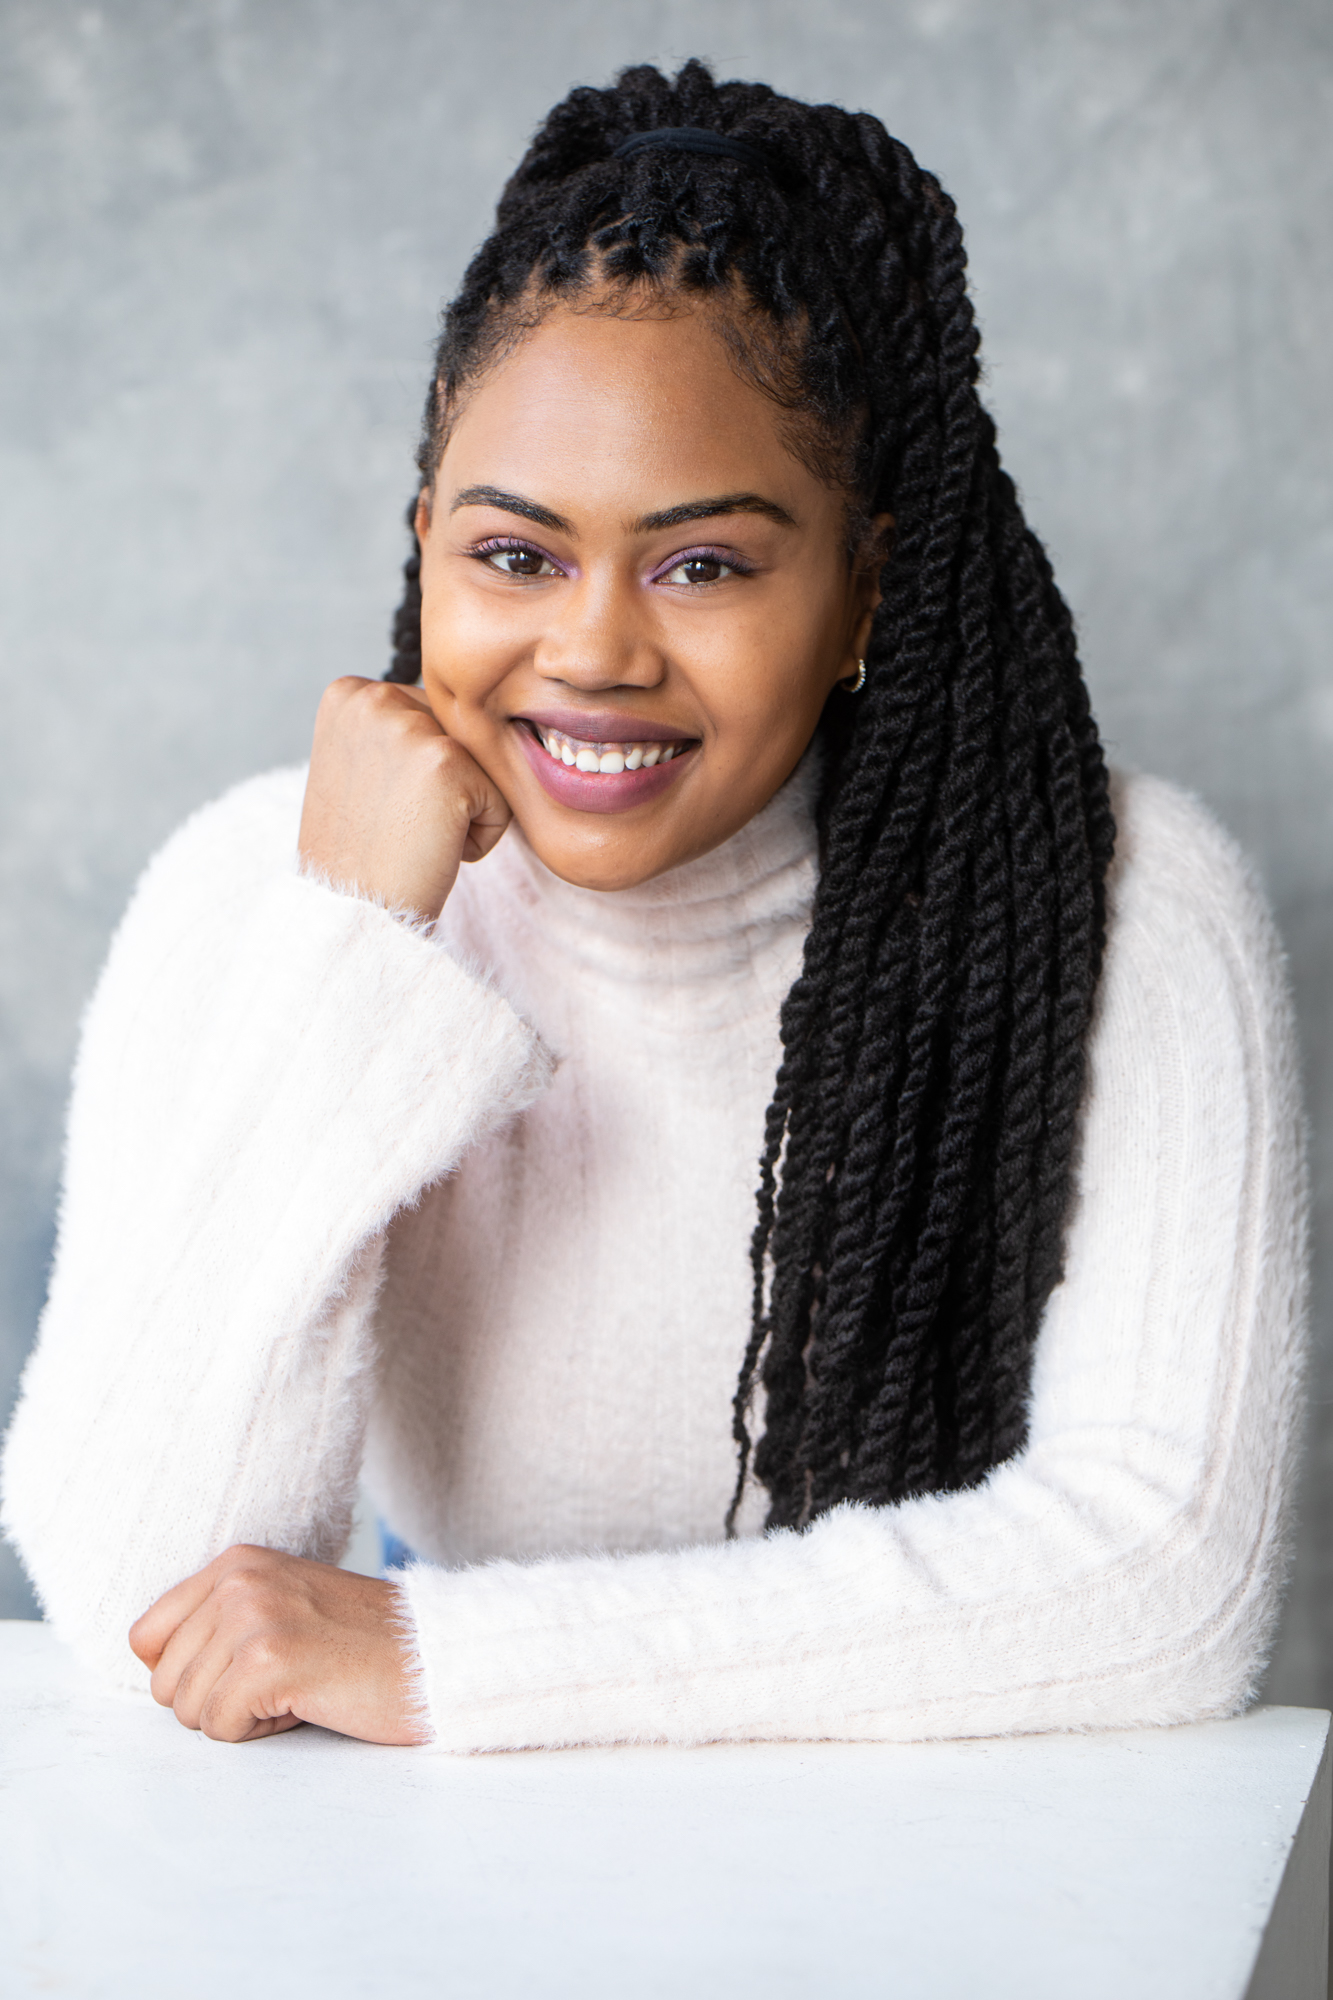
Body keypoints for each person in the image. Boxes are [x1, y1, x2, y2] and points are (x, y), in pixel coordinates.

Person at [1, 62, 1306, 1752]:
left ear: (867, 588)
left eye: (703, 564)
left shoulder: (1121, 905)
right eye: (514, 555)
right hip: (430, 1866)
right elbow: (154, 1606)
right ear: (425, 539)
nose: (595, 650)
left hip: (937, 1857)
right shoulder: (263, 895)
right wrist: (352, 948)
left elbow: (1157, 1587)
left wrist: (434, 1660)